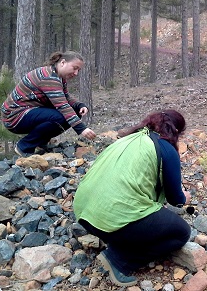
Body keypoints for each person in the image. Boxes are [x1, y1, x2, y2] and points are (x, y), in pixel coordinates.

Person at [73, 110, 191, 287]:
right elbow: (176, 199)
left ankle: (117, 236)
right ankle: (120, 260)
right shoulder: (165, 147)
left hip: (85, 214)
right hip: (112, 218)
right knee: (182, 232)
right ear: (176, 132)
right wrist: (185, 197)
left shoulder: (128, 139)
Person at [1, 51, 96, 156]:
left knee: (74, 112)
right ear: (63, 62)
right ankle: (24, 147)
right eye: (74, 68)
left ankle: (41, 143)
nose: (76, 73)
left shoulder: (58, 76)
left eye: (79, 70)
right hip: (14, 116)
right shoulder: (49, 77)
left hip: (28, 112)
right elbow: (62, 106)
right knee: (61, 117)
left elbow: (65, 97)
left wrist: (79, 105)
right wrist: (81, 129)